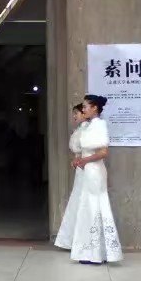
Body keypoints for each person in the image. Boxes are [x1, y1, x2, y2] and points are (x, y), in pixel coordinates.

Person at [67, 95, 123, 265]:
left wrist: (85, 160)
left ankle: (97, 253)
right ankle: (91, 251)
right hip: (87, 169)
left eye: (86, 106)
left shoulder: (100, 125)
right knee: (88, 207)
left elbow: (103, 152)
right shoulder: (90, 126)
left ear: (95, 108)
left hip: (95, 171)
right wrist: (79, 159)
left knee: (95, 207)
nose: (83, 109)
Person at [54, 104, 87, 251]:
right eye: (74, 113)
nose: (74, 116)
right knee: (77, 200)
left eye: (77, 113)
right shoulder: (79, 129)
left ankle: (82, 239)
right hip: (80, 168)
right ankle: (74, 238)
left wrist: (80, 159)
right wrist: (75, 159)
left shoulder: (88, 129)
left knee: (83, 201)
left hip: (86, 168)